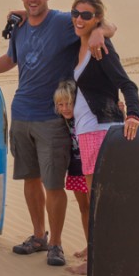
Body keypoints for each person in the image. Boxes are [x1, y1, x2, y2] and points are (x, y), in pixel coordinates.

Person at [0, 0, 115, 267]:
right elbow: (11, 59)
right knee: (30, 179)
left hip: (52, 117)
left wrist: (99, 32)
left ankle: (56, 243)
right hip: (22, 114)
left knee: (53, 183)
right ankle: (38, 236)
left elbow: (102, 22)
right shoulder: (18, 28)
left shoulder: (62, 22)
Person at [67, 0, 139, 275]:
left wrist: (133, 114)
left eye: (87, 15)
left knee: (100, 201)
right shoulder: (82, 41)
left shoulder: (102, 48)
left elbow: (127, 84)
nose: (79, 19)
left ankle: (98, 260)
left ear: (97, 18)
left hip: (102, 129)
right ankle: (100, 251)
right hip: (86, 131)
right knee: (96, 198)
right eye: (76, 13)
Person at [53, 80, 89, 260]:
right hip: (75, 169)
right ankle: (90, 245)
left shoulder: (86, 118)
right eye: (61, 105)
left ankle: (97, 247)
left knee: (95, 209)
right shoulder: (60, 122)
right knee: (84, 208)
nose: (65, 108)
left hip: (90, 169)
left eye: (69, 104)